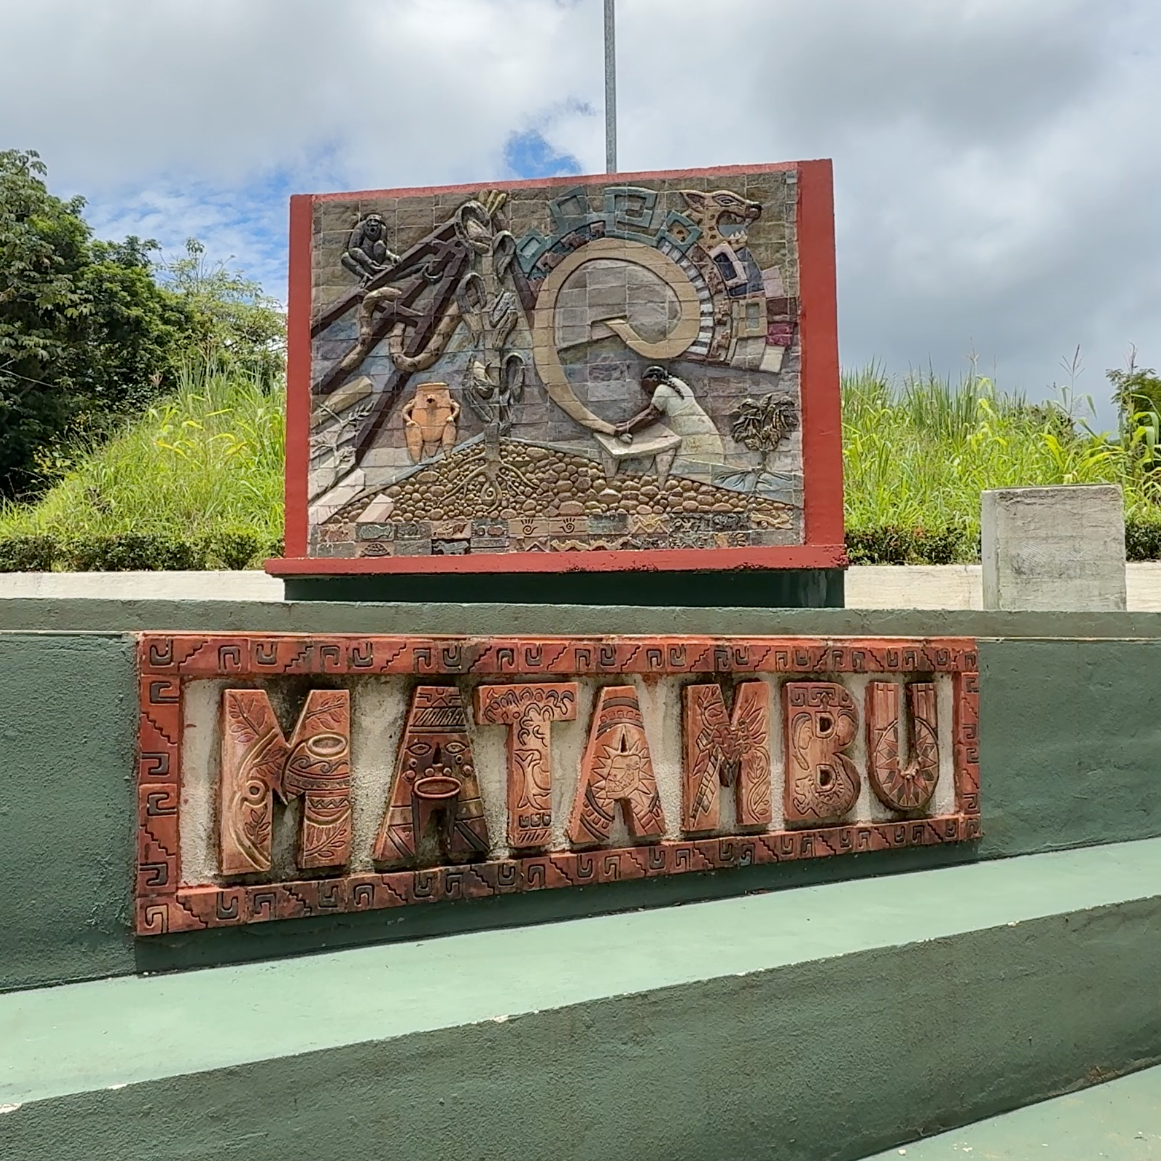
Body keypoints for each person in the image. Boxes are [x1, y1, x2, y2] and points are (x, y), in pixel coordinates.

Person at [613, 366, 725, 464]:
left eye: (647, 386)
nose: (647, 391)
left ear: (654, 378)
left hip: (695, 438)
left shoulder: (663, 390)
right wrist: (627, 425)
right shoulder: (675, 383)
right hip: (705, 430)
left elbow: (650, 415)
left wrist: (626, 428)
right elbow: (648, 409)